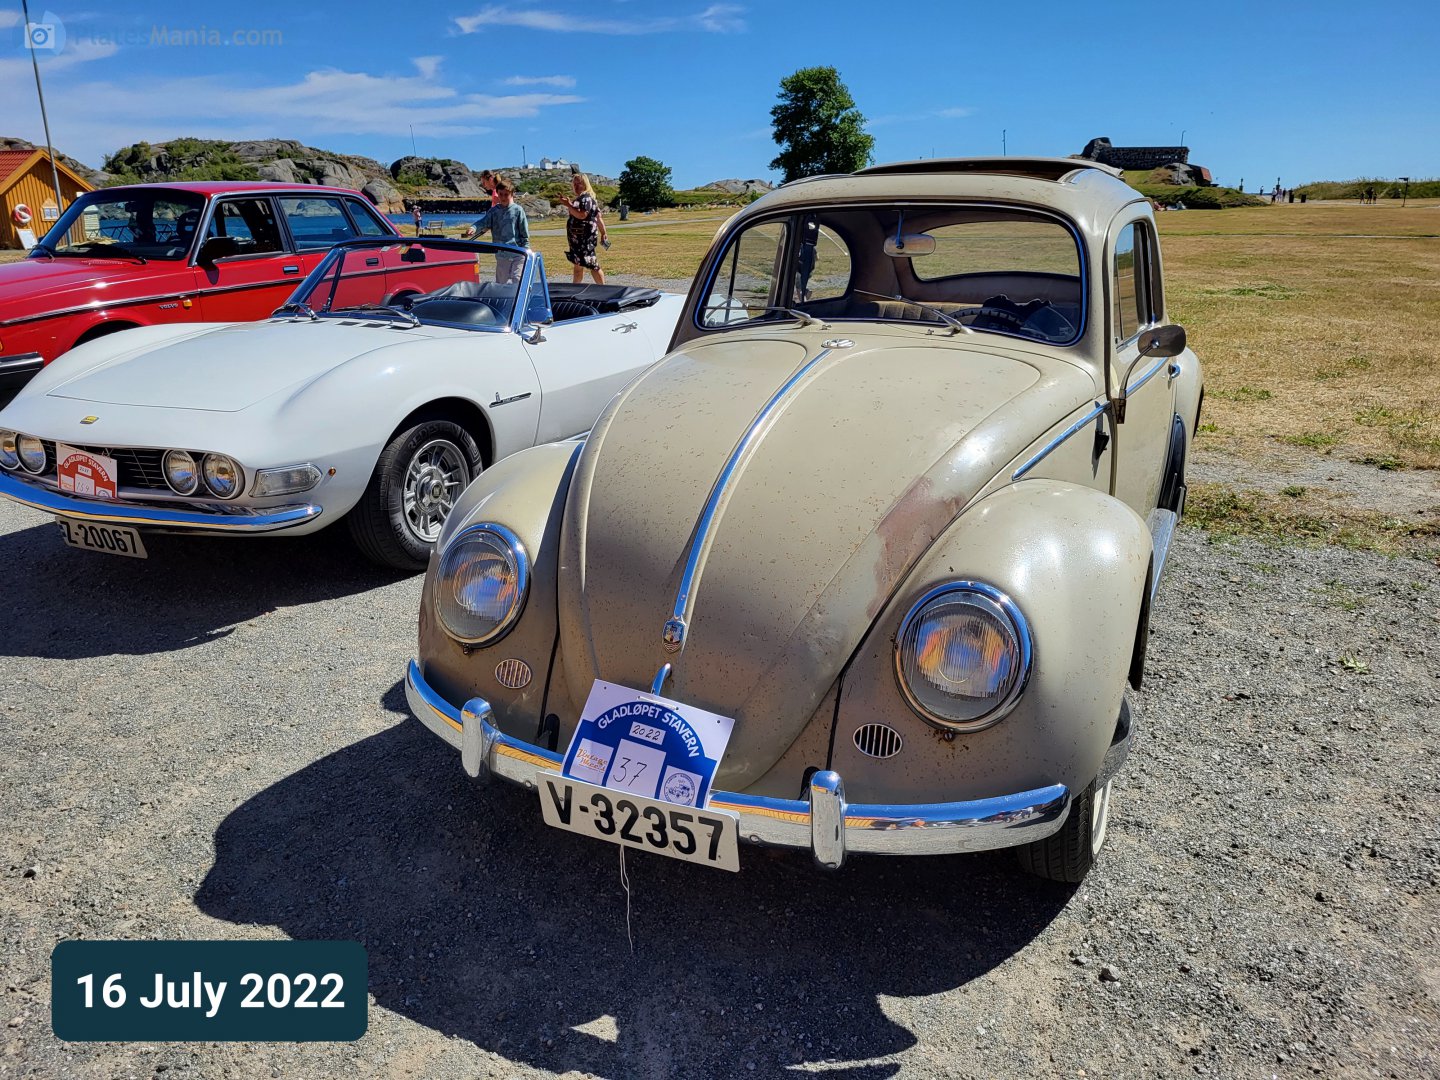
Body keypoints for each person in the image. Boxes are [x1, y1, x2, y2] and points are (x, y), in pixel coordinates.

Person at [465, 179, 529, 284]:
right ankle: (503, 299)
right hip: (501, 254)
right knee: (501, 282)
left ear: (512, 194)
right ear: (497, 194)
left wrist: (526, 250)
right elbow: (483, 222)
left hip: (518, 252)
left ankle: (519, 298)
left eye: (506, 194)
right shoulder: (494, 211)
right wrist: (473, 228)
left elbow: (524, 233)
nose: (503, 197)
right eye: (501, 194)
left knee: (517, 278)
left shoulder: (518, 210)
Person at [558, 169, 606, 284]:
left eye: (579, 183)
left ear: (585, 184)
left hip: (583, 239)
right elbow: (598, 217)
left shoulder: (585, 198)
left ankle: (603, 289)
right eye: (574, 183)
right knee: (579, 264)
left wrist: (568, 205)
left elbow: (582, 215)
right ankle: (576, 288)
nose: (576, 185)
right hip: (579, 239)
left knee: (592, 264)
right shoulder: (587, 198)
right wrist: (604, 233)